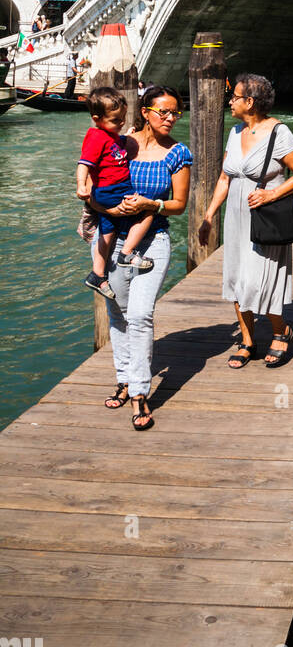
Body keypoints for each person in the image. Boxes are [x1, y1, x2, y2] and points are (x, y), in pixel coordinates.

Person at [199, 74, 293, 371]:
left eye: (234, 97)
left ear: (250, 102)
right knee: (237, 279)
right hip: (235, 216)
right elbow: (225, 177)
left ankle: (280, 329)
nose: (230, 101)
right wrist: (209, 215)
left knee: (260, 279)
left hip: (264, 215)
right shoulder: (235, 132)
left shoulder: (279, 133)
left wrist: (271, 194)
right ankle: (248, 340)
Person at [99, 86, 192, 430]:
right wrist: (107, 206)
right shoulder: (120, 144)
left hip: (155, 241)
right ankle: (123, 378)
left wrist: (151, 204)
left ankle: (139, 392)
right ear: (145, 111)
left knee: (139, 315)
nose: (170, 118)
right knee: (118, 312)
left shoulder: (178, 153)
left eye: (175, 113)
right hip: (113, 237)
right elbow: (94, 187)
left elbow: (179, 205)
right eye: (163, 112)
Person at [77, 88, 156, 298]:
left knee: (107, 232)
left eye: (122, 119)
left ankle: (97, 275)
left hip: (108, 192)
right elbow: (84, 163)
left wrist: (124, 137)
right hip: (113, 190)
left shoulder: (110, 135)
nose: (120, 123)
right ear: (97, 118)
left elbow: (115, 148)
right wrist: (81, 185)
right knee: (147, 209)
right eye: (115, 120)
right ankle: (126, 253)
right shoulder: (95, 136)